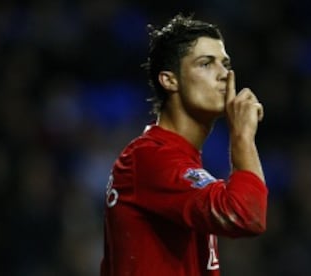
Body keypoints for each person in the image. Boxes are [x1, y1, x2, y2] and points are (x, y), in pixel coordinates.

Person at [100, 13, 268, 276]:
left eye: (225, 64)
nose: (225, 74)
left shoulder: (178, 160)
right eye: (206, 64)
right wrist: (242, 136)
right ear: (169, 80)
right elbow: (245, 215)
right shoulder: (148, 157)